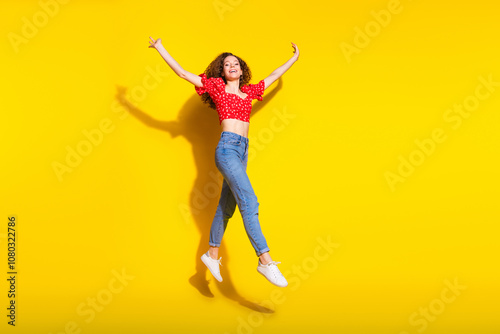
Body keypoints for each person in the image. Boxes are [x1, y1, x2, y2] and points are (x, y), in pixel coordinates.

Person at [148, 36, 299, 287]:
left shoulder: (249, 91)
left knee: (226, 208)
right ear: (222, 70)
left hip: (243, 151)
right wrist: (160, 47)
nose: (232, 66)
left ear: (242, 70)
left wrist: (293, 58)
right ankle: (265, 261)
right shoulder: (217, 88)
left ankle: (212, 254)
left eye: (236, 63)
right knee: (249, 201)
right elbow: (184, 74)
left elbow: (273, 75)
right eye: (227, 64)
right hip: (227, 149)